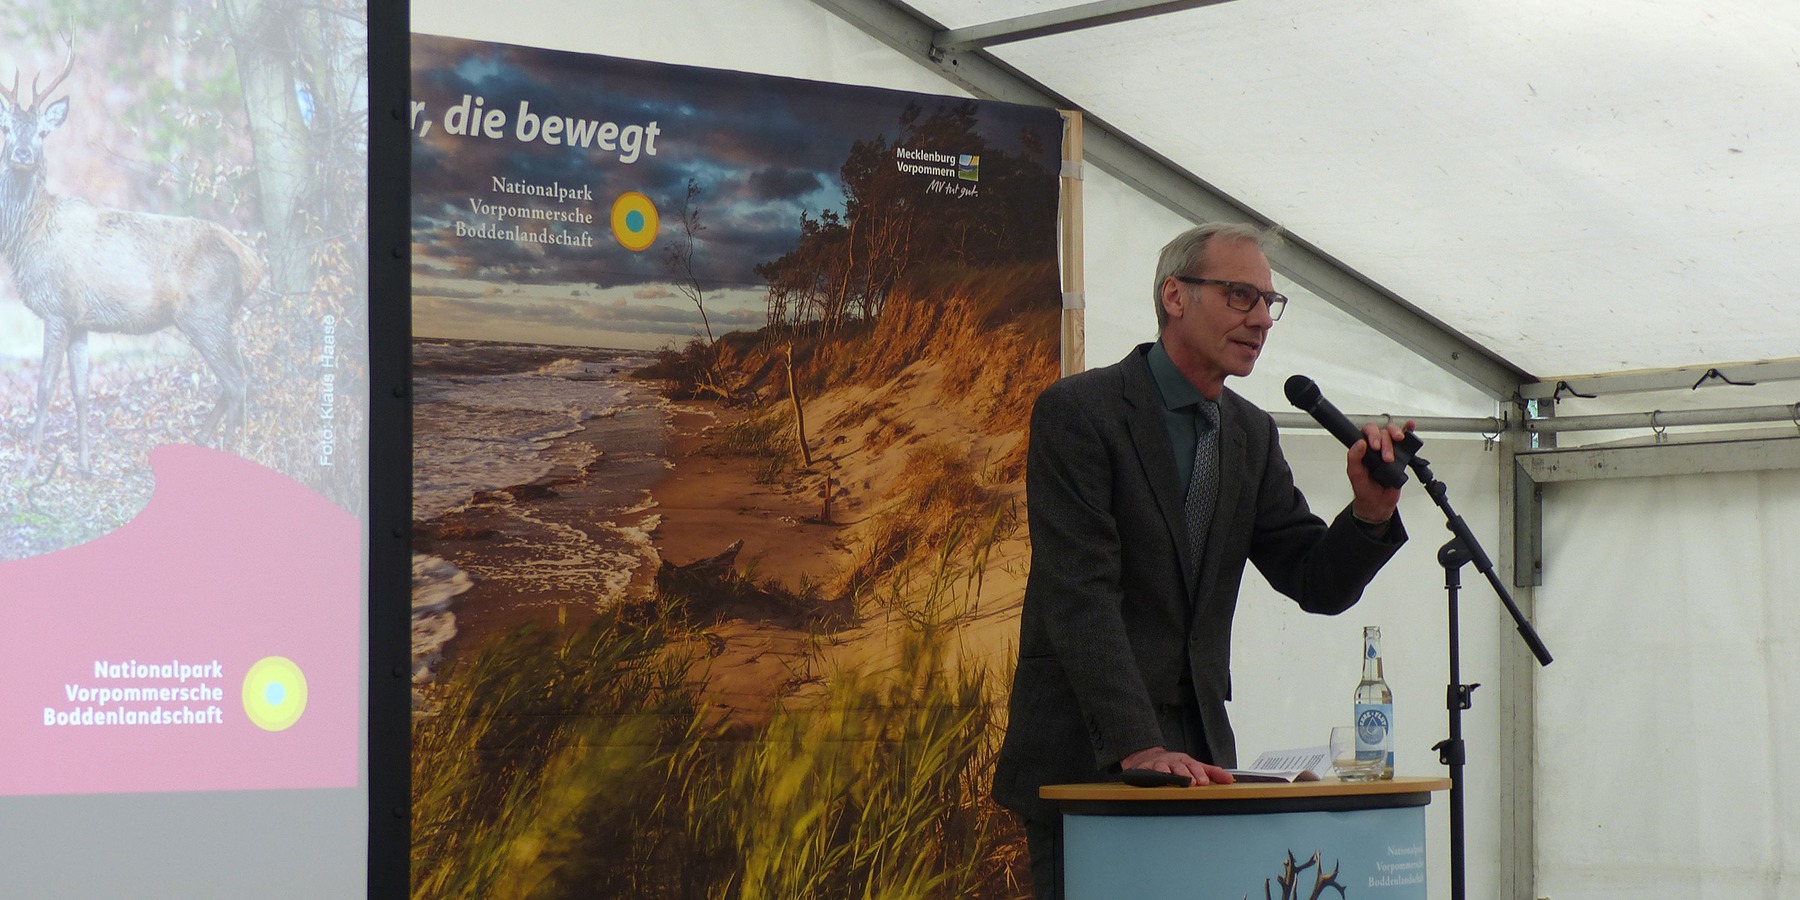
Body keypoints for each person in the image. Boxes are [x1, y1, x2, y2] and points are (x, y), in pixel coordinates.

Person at [991, 222, 1414, 899]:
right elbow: (1081, 593)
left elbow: (1312, 578)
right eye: (1241, 295)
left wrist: (1368, 513)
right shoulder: (1080, 412)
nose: (1259, 319)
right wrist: (1138, 745)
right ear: (1175, 296)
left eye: (1268, 304)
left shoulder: (1249, 432)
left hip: (1202, 759)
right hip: (1087, 754)